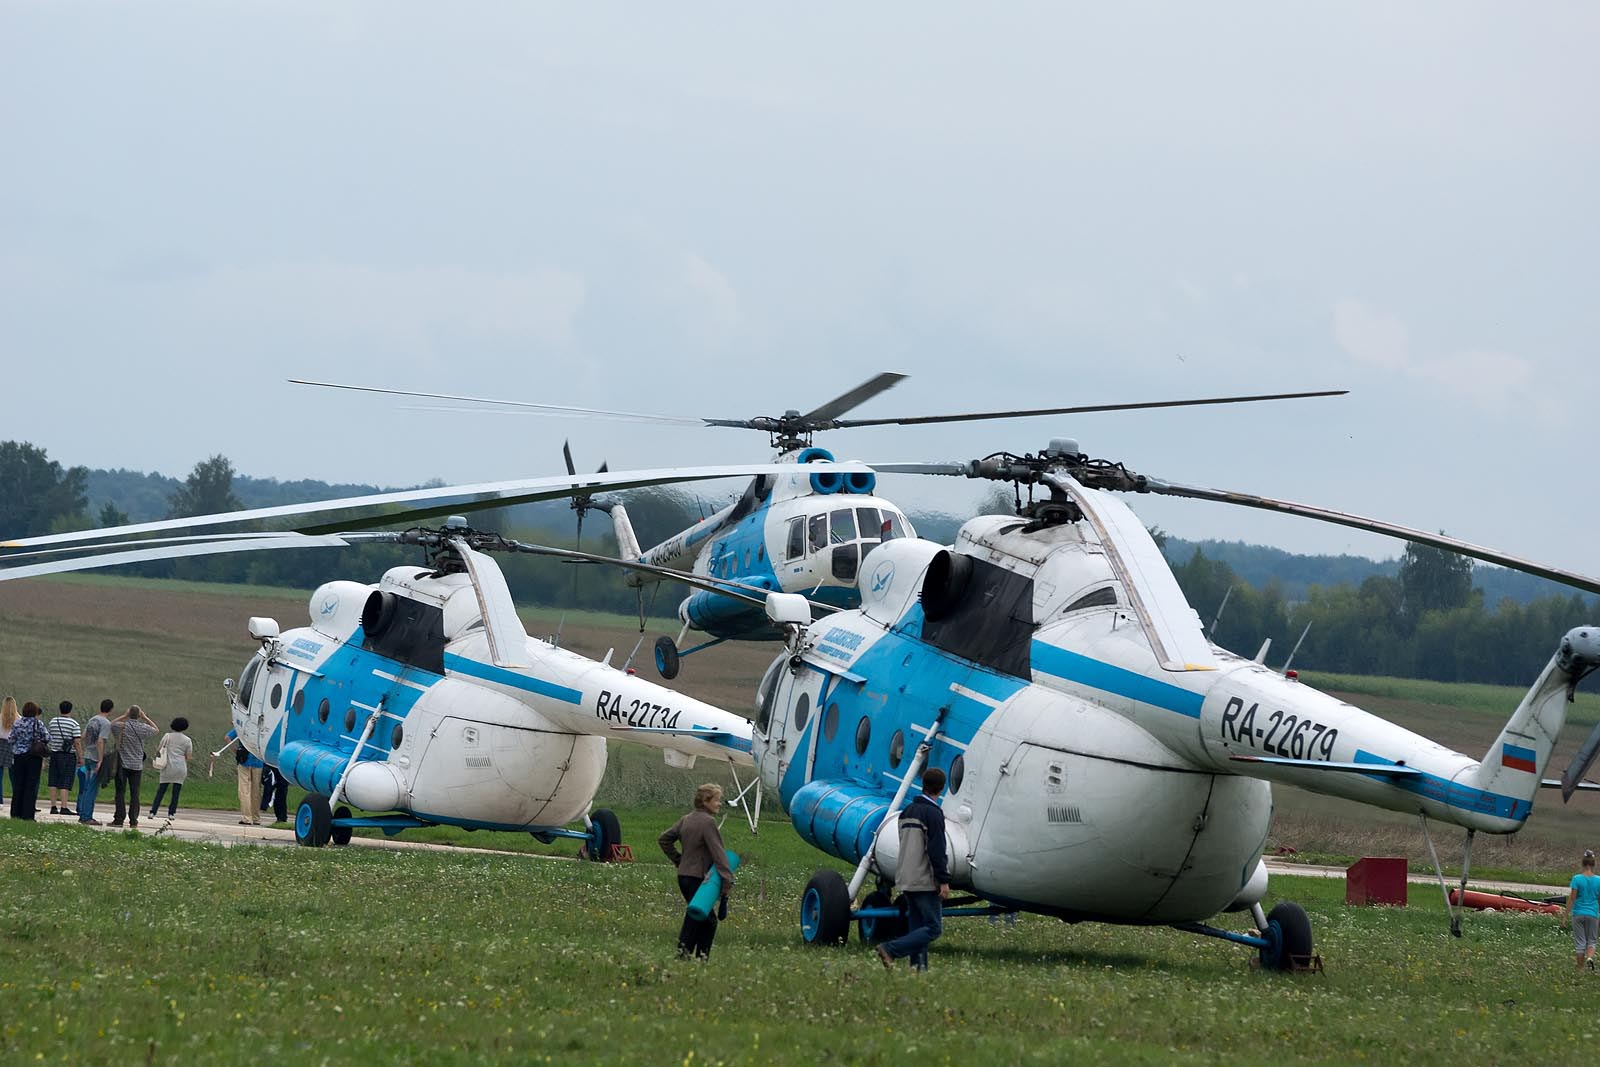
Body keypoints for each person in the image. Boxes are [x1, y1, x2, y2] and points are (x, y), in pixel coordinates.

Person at [876, 767, 951, 972]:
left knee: (917, 927)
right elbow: (936, 850)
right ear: (942, 788)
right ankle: (890, 949)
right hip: (924, 878)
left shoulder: (907, 812)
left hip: (905, 876)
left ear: (923, 785)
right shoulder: (933, 813)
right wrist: (943, 880)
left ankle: (918, 969)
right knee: (934, 928)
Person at [658, 783, 735, 960]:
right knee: (708, 920)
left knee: (698, 916)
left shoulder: (687, 818)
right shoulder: (708, 822)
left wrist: (679, 860)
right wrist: (727, 878)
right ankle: (698, 957)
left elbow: (664, 839)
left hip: (683, 876)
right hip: (698, 878)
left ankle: (685, 955)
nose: (719, 804)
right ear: (706, 801)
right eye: (716, 800)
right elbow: (718, 853)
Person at [110, 705, 158, 829]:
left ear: (129, 713)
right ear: (139, 715)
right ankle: (133, 820)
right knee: (135, 793)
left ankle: (119, 818)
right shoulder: (142, 728)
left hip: (123, 763)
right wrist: (145, 717)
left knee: (120, 792)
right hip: (137, 765)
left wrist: (124, 716)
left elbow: (111, 724)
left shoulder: (121, 726)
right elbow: (156, 730)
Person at [8, 701, 50, 821]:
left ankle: (15, 813)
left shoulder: (17, 722)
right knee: (30, 785)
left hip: (19, 756)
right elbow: (47, 737)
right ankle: (28, 815)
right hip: (33, 756)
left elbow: (11, 739)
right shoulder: (38, 723)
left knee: (18, 784)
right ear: (35, 712)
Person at [213, 729, 263, 825]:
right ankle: (256, 817)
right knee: (256, 791)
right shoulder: (260, 728)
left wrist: (235, 751)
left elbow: (227, 738)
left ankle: (247, 817)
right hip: (258, 760)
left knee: (244, 790)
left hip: (244, 760)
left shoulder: (243, 726)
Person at [148, 717, 194, 819]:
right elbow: (189, 756)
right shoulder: (187, 740)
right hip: (180, 768)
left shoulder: (167, 736)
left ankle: (153, 812)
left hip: (167, 766)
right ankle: (171, 813)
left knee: (161, 790)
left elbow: (159, 749)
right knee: (176, 792)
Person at [77, 699, 114, 825]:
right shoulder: (106, 723)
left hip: (87, 755)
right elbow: (100, 741)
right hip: (95, 758)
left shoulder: (92, 719)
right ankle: (87, 816)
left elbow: (83, 736)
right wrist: (100, 759)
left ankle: (82, 813)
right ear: (110, 709)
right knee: (92, 788)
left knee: (86, 787)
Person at [1564, 850, 1600, 972]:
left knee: (1580, 942)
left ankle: (1580, 969)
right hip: (1593, 914)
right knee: (1592, 940)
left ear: (1583, 863)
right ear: (1594, 864)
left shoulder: (1576, 879)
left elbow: (1572, 898)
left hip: (1578, 913)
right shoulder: (1598, 880)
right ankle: (1590, 957)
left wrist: (1564, 916)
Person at [45, 701, 83, 815]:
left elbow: (48, 737)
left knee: (53, 780)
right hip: (68, 755)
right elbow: (77, 742)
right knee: (65, 780)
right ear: (70, 710)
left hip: (54, 753)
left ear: (60, 709)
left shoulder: (53, 721)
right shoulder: (74, 724)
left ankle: (53, 806)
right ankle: (64, 806)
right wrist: (80, 756)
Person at [0, 695, 17, 805]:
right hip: (13, 745)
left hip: (0, 744)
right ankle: (16, 799)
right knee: (14, 776)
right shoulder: (19, 719)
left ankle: (0, 800)